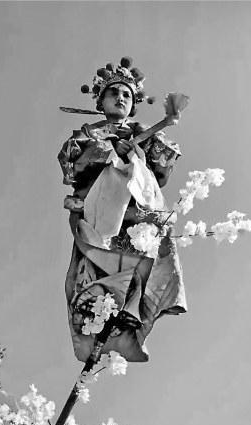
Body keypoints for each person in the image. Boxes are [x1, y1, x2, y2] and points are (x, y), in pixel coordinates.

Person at [58, 57, 187, 363]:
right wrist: (107, 149)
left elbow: (162, 171)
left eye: (127, 94)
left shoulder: (143, 131)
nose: (121, 98)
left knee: (143, 259)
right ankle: (99, 318)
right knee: (100, 263)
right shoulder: (89, 133)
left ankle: (131, 316)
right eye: (114, 93)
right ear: (100, 101)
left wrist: (137, 150)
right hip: (99, 208)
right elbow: (71, 164)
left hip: (135, 209)